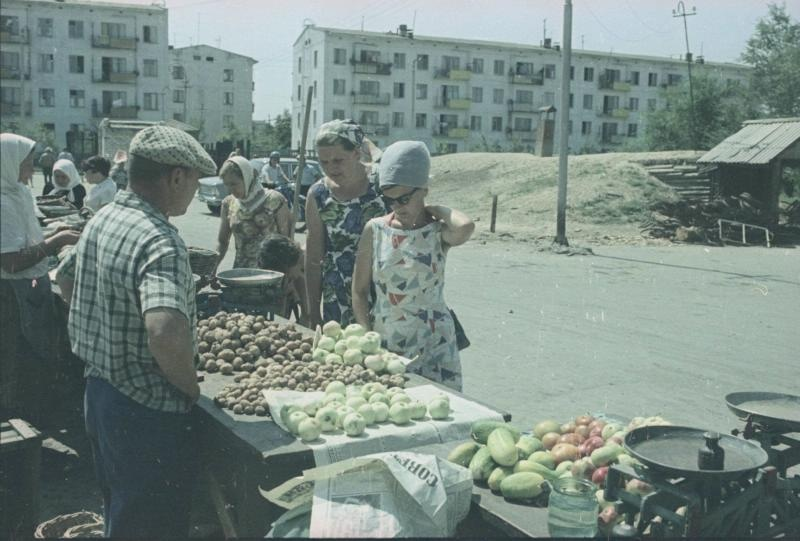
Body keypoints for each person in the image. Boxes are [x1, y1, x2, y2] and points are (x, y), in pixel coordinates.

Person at [59, 125, 217, 537]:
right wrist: (190, 388)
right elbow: (164, 330)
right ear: (176, 176)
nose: (195, 191)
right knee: (152, 522)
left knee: (122, 510)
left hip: (101, 394)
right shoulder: (160, 240)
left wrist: (102, 321)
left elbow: (64, 279)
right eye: (195, 180)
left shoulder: (105, 217)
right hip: (147, 411)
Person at [352, 141, 474, 391]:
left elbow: (465, 227)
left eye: (405, 199)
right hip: (389, 341)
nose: (397, 207)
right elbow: (359, 290)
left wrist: (434, 210)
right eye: (390, 200)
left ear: (423, 190)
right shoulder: (375, 230)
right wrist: (367, 337)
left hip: (436, 344)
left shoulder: (437, 232)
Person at [0, 134, 81, 421]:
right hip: (13, 294)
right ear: (8, 162)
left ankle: (31, 418)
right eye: (27, 162)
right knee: (18, 361)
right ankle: (21, 427)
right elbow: (9, 262)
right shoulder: (3, 203)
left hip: (31, 284)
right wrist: (54, 242)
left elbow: (24, 241)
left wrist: (51, 234)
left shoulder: (16, 193)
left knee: (34, 358)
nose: (32, 168)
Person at [305, 119, 387, 327]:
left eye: (338, 160)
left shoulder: (381, 183)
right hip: (338, 296)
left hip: (383, 290)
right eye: (324, 162)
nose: (331, 168)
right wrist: (313, 311)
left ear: (356, 154)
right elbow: (314, 259)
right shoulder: (319, 195)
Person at [215, 156, 292, 270]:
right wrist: (213, 268)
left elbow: (288, 243)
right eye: (227, 185)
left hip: (271, 275)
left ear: (247, 178)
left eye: (234, 184)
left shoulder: (275, 200)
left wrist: (289, 277)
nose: (231, 189)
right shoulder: (228, 204)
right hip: (241, 274)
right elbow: (222, 242)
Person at [257, 233, 306, 322]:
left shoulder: (309, 262)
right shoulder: (294, 266)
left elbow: (307, 313)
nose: (290, 276)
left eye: (287, 273)